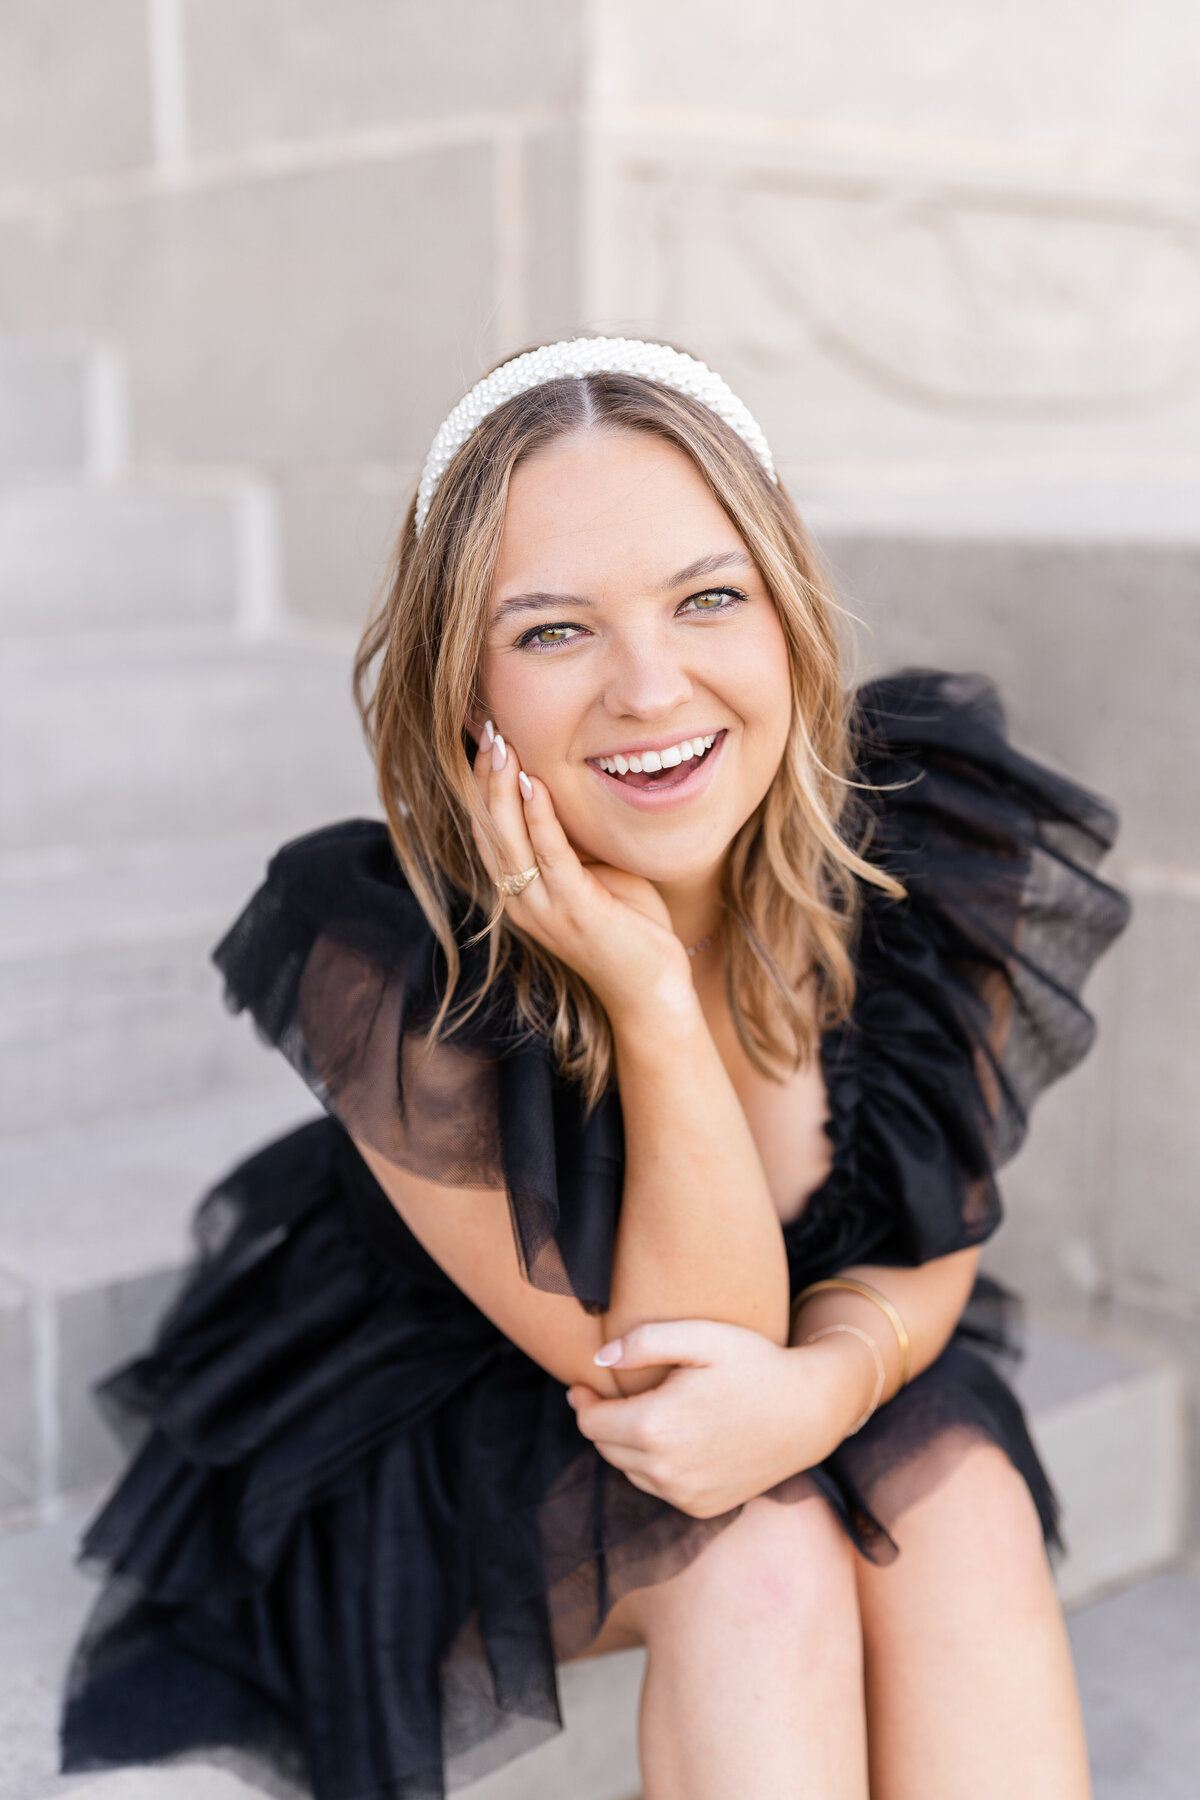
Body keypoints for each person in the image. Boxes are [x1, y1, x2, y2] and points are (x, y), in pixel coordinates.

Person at [61, 338, 1129, 1800]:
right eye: (555, 631)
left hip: (796, 1348)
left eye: (707, 599)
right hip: (474, 1394)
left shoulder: (926, 834)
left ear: (788, 616)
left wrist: (828, 1386)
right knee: (763, 1562)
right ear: (466, 691)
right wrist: (651, 1001)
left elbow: (941, 1235)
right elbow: (682, 1396)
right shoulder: (382, 949)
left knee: (965, 1507)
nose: (650, 684)